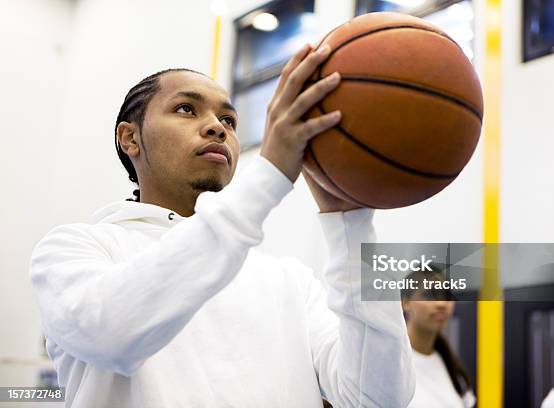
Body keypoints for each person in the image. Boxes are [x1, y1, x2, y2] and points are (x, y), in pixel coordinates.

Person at [29, 44, 415, 407]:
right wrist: (269, 174)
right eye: (185, 109)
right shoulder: (73, 249)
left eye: (228, 119)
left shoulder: (290, 281)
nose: (217, 127)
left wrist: (351, 225)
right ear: (130, 137)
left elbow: (376, 397)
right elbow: (111, 334)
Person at [401, 269, 475, 408]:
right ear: (405, 303)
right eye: (429, 296)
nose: (441, 304)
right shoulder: (394, 361)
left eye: (446, 296)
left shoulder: (452, 367)